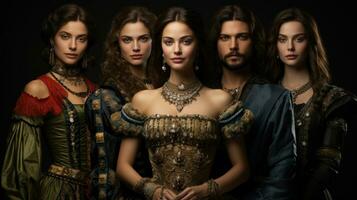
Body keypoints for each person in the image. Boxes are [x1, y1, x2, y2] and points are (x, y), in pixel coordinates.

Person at [116, 7, 253, 200]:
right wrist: (152, 191)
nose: (177, 50)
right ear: (161, 48)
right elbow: (122, 167)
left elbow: (243, 169)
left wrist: (208, 189)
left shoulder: (220, 100)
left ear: (198, 46)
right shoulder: (143, 100)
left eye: (186, 41)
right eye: (169, 42)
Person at [1, 3, 97, 200]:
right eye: (65, 36)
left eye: (81, 39)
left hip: (96, 192)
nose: (73, 46)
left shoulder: (96, 90)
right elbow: (22, 166)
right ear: (52, 40)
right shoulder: (39, 89)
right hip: (59, 192)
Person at [266, 8, 357, 200]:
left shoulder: (331, 98)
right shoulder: (264, 95)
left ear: (311, 44)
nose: (290, 47)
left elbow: (328, 165)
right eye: (282, 40)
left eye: (298, 39)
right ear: (275, 46)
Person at [208, 5, 296, 199]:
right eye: (225, 38)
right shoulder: (201, 93)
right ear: (215, 42)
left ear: (254, 41)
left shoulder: (276, 98)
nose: (233, 46)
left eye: (242, 37)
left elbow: (281, 177)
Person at [85, 6, 156, 200]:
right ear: (117, 45)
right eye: (127, 40)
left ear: (155, 41)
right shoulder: (108, 98)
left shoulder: (167, 84)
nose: (135, 47)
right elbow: (105, 169)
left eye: (143, 39)